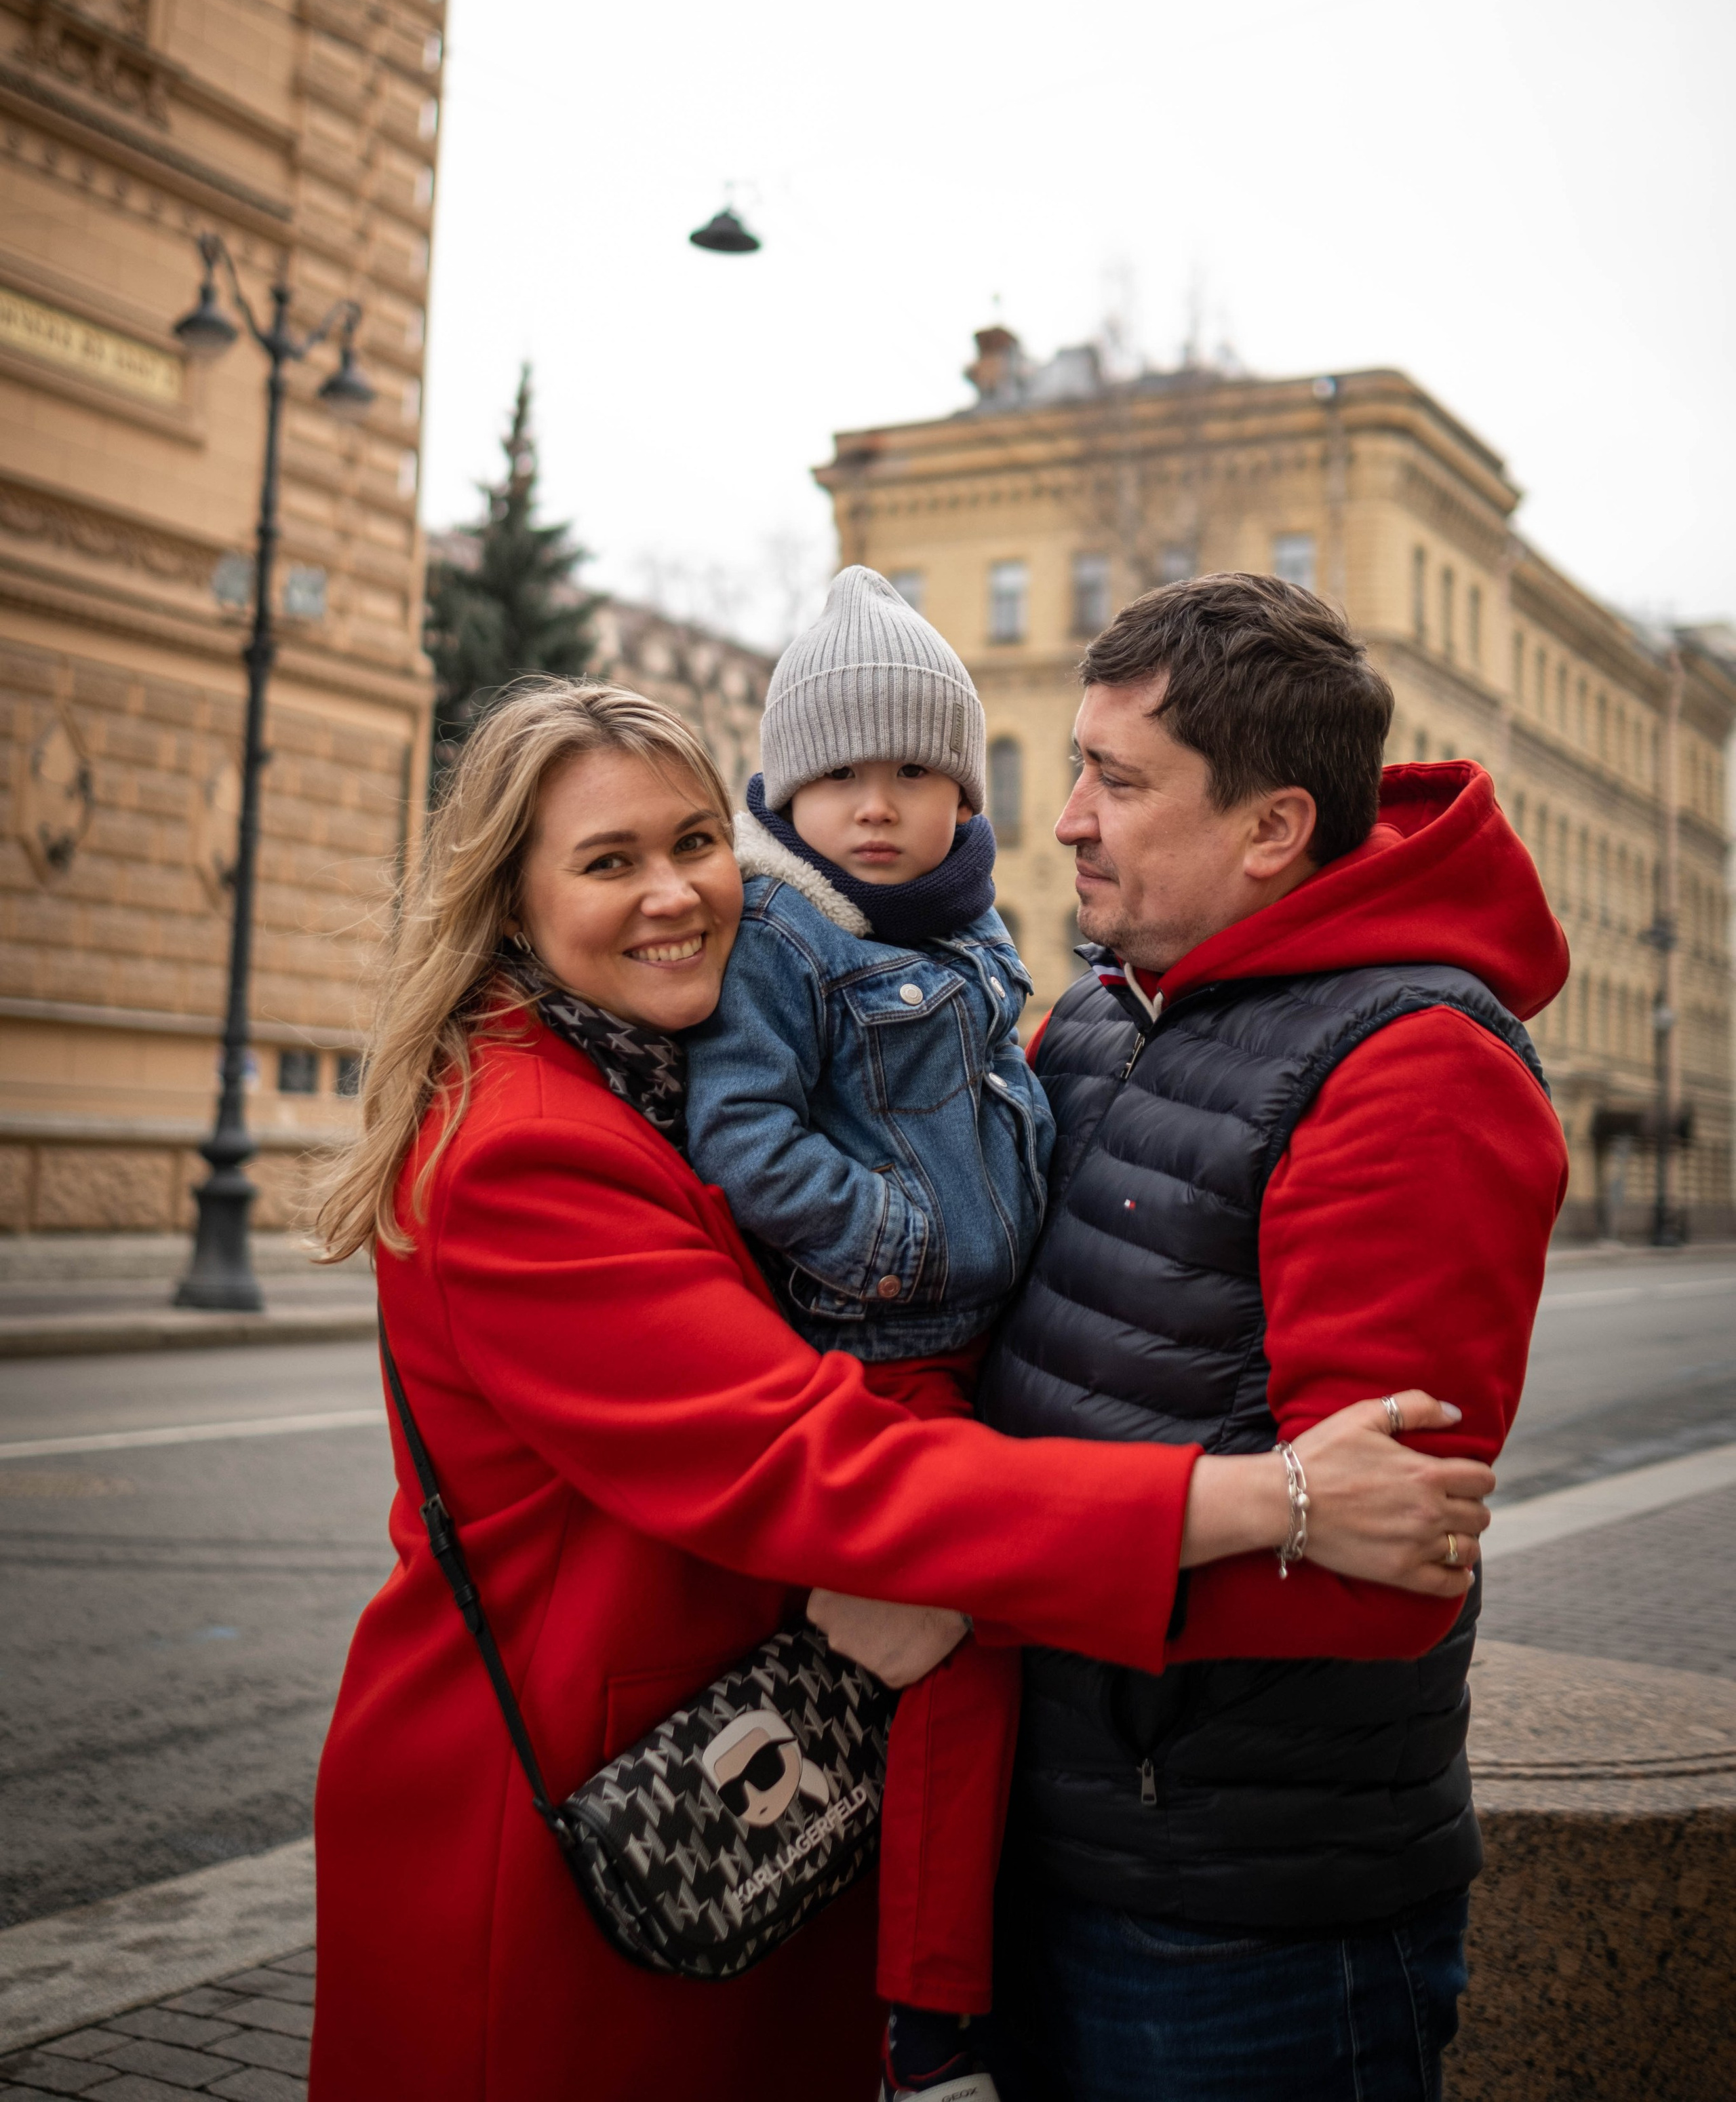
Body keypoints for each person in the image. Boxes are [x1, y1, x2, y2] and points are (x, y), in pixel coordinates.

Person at [307, 676, 1497, 2102]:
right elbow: (811, 1462)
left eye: (695, 843)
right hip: (572, 1820)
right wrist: (1273, 1497)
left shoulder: (653, 1070)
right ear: (508, 903)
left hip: (731, 1779)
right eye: (607, 862)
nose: (676, 893)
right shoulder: (522, 1151)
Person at [977, 572, 1571, 2102]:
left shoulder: (1411, 1069)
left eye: (1115, 782)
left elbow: (1371, 1572)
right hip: (1052, 1838)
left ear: (1270, 828)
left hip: (1243, 1925)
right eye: (1074, 769)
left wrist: (973, 1566)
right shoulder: (1107, 1011)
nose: (1066, 822)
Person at [685, 566, 1049, 2102]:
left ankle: (920, 1982)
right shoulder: (783, 936)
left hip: (979, 1351)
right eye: (840, 774)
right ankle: (929, 2026)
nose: (879, 805)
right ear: (782, 783)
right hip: (874, 1355)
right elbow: (739, 1137)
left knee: (973, 1657)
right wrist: (901, 1240)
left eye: (914, 771)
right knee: (965, 1652)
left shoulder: (977, 932)